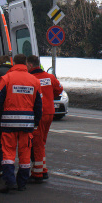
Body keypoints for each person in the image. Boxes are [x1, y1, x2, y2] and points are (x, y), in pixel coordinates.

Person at [0, 54, 42, 193]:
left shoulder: (7, 79)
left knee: (8, 154)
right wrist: (35, 121)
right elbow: (39, 105)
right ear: (26, 63)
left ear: (13, 63)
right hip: (27, 124)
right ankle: (22, 183)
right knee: (25, 154)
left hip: (8, 123)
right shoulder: (34, 81)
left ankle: (10, 182)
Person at [27, 55, 63, 183]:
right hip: (49, 113)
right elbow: (59, 89)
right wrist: (49, 96)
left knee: (37, 143)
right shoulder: (50, 77)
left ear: (31, 65)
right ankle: (43, 169)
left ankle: (37, 173)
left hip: (38, 114)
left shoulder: (31, 78)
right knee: (41, 142)